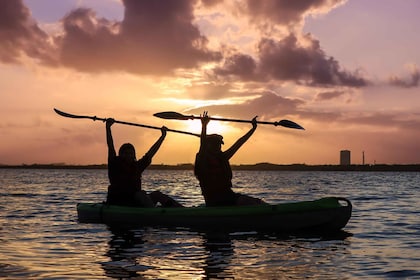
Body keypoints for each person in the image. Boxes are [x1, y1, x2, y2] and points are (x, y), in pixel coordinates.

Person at [194, 112, 267, 207]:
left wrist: (253, 129)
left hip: (229, 196)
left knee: (258, 202)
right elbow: (202, 144)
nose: (218, 147)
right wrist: (204, 126)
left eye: (219, 145)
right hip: (214, 200)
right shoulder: (202, 158)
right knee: (248, 202)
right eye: (215, 145)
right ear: (208, 146)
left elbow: (239, 143)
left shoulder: (223, 157)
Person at [105, 118, 182, 207]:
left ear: (134, 155)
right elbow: (110, 145)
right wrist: (108, 128)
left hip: (135, 202)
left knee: (156, 194)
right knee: (140, 194)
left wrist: (162, 136)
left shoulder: (137, 166)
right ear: (120, 154)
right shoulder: (115, 164)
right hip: (119, 202)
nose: (128, 155)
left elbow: (151, 153)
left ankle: (183, 210)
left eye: (130, 153)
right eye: (125, 153)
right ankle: (156, 213)